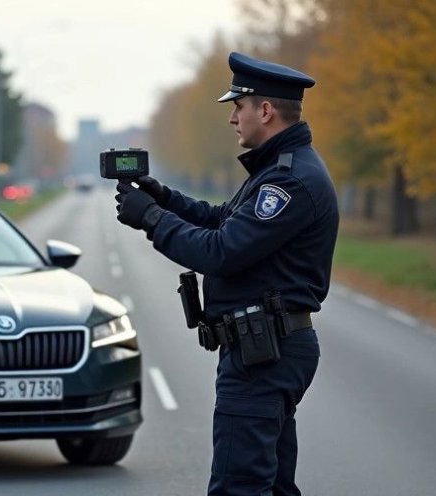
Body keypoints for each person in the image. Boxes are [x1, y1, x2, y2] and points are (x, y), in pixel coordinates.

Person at [114, 52, 338, 495]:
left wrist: (152, 220)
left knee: (239, 487)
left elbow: (221, 251)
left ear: (266, 111)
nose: (234, 118)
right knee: (270, 485)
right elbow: (224, 220)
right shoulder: (278, 168)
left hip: (265, 353)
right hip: (264, 348)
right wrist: (164, 198)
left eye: (239, 107)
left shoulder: (287, 183)